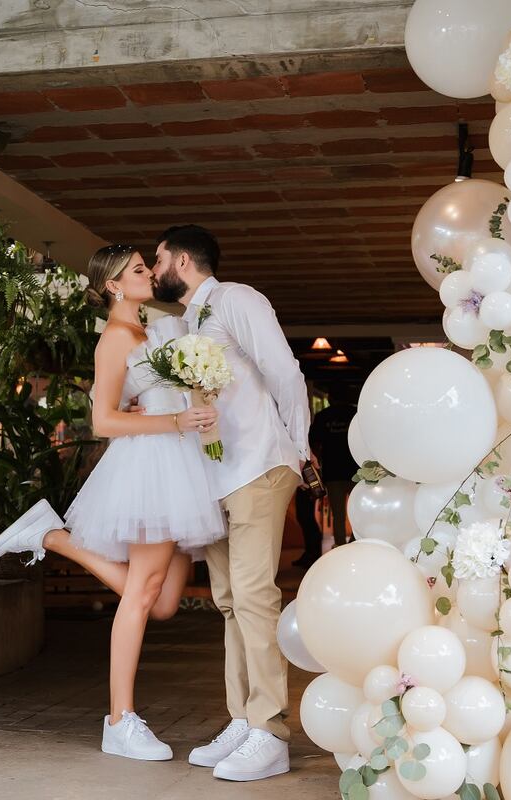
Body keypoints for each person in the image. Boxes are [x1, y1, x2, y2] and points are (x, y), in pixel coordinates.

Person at [0, 244, 227, 763]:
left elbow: (145, 399)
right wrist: (176, 421)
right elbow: (103, 422)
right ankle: (120, 720)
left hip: (180, 463)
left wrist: (192, 405)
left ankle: (50, 537)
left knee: (161, 603)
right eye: (139, 269)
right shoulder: (117, 337)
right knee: (141, 596)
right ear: (114, 285)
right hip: (151, 467)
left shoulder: (150, 331)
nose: (150, 273)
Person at [151, 224, 311, 782]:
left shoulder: (236, 298)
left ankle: (271, 731)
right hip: (215, 476)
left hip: (257, 465)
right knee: (227, 600)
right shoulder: (189, 321)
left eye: (159, 258)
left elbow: (284, 372)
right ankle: (242, 719)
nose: (153, 268)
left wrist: (299, 443)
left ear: (184, 261)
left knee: (253, 595)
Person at [309, 390, 357, 548]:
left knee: (338, 515)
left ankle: (341, 545)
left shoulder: (323, 416)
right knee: (359, 512)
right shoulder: (355, 413)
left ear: (330, 398)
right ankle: (356, 542)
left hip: (332, 471)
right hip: (355, 471)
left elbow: (314, 443)